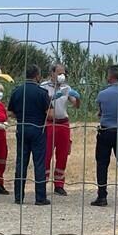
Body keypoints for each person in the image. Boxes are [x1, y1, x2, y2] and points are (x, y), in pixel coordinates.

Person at [7, 65, 52, 205]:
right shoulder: (42, 92)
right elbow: (50, 114)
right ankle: (40, 197)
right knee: (39, 163)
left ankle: (18, 197)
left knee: (21, 162)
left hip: (22, 128)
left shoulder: (17, 91)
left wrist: (21, 116)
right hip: (38, 129)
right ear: (37, 76)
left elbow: (10, 113)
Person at [91, 65, 118, 207]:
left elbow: (100, 112)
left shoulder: (102, 94)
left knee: (102, 164)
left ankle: (102, 196)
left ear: (109, 77)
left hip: (105, 132)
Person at [41, 64, 81, 196]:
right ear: (52, 73)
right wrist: (53, 97)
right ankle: (43, 182)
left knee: (63, 154)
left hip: (63, 123)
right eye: (59, 73)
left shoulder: (66, 87)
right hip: (49, 123)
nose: (61, 76)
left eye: (63, 73)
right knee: (46, 154)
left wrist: (77, 98)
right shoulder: (44, 86)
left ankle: (59, 184)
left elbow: (75, 105)